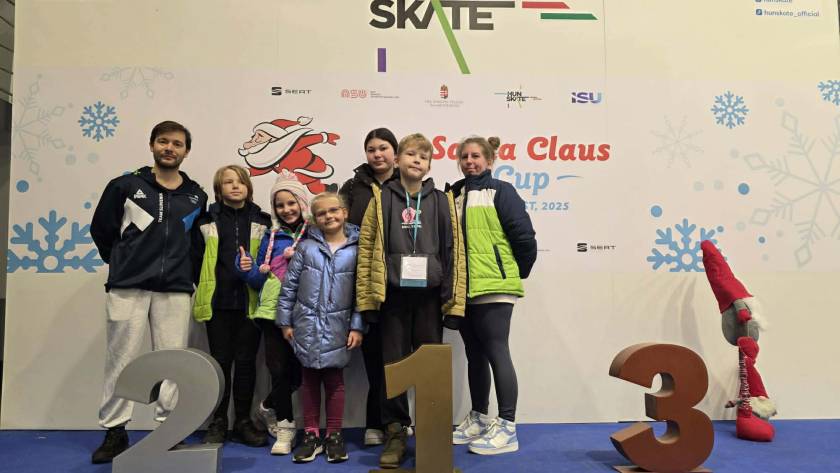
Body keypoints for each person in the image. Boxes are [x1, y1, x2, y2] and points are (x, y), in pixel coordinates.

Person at [89, 120, 208, 464]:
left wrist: (187, 276)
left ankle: (168, 430)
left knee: (172, 361)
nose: (169, 148)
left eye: (177, 144)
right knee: (121, 358)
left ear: (187, 151)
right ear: (152, 145)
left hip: (175, 289)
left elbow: (196, 245)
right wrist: (123, 263)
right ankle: (115, 430)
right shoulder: (125, 185)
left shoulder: (196, 196)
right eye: (163, 141)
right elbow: (102, 230)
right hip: (128, 286)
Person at [356, 133, 466, 469]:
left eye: (423, 157)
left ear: (429, 165)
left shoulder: (441, 200)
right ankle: (396, 432)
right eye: (411, 154)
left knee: (431, 366)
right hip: (392, 298)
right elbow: (367, 249)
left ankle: (430, 435)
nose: (417, 160)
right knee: (393, 366)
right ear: (398, 160)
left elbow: (454, 250)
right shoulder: (381, 199)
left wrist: (454, 302)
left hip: (430, 299)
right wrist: (368, 302)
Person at [448, 136, 537, 455]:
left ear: (489, 160)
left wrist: (510, 273)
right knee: (475, 354)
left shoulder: (501, 191)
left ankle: (508, 426)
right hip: (465, 289)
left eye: (476, 156)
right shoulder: (454, 194)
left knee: (497, 350)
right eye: (464, 157)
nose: (470, 162)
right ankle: (479, 417)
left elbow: (524, 238)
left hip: (495, 286)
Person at [277, 192, 365, 463]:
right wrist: (285, 321)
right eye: (321, 213)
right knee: (309, 382)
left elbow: (362, 294)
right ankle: (311, 435)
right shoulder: (306, 248)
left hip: (340, 328)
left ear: (345, 212)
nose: (329, 216)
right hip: (306, 326)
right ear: (314, 219)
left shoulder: (358, 249)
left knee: (335, 382)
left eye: (333, 210)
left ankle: (334, 435)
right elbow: (289, 286)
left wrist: (357, 326)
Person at [193, 165, 270, 447]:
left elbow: (270, 261)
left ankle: (243, 422)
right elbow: (195, 259)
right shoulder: (206, 221)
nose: (235, 186)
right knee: (220, 363)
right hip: (218, 304)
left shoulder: (263, 221)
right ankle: (218, 421)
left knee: (247, 363)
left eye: (240, 182)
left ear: (248, 187)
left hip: (251, 304)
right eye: (228, 182)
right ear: (218, 189)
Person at [236, 169, 310, 455]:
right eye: (280, 205)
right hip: (272, 313)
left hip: (305, 313)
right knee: (278, 370)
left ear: (302, 203)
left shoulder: (314, 234)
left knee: (299, 375)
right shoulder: (271, 237)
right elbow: (259, 279)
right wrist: (247, 270)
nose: (286, 209)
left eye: (291, 203)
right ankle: (285, 426)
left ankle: (267, 406)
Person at [338, 127, 400, 446]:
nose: (377, 154)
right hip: (363, 281)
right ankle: (375, 422)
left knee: (398, 358)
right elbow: (339, 228)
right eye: (371, 149)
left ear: (395, 152)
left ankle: (398, 422)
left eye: (383, 148)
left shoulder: (407, 183)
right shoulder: (353, 187)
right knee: (374, 358)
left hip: (400, 284)